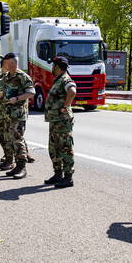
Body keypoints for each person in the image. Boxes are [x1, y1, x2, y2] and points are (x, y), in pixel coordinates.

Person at [0, 53, 35, 178]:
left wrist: (17, 98)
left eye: (6, 63)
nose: (4, 65)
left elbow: (31, 92)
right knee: (9, 139)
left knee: (17, 140)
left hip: (17, 115)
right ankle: (15, 165)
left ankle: (22, 167)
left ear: (12, 63)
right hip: (6, 114)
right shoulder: (6, 76)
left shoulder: (22, 76)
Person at [44, 56, 77, 188]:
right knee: (54, 148)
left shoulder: (65, 79)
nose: (52, 68)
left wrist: (65, 106)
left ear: (57, 67)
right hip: (55, 120)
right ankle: (58, 174)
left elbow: (72, 91)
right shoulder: (58, 80)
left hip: (62, 121)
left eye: (53, 66)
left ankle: (68, 178)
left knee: (65, 148)